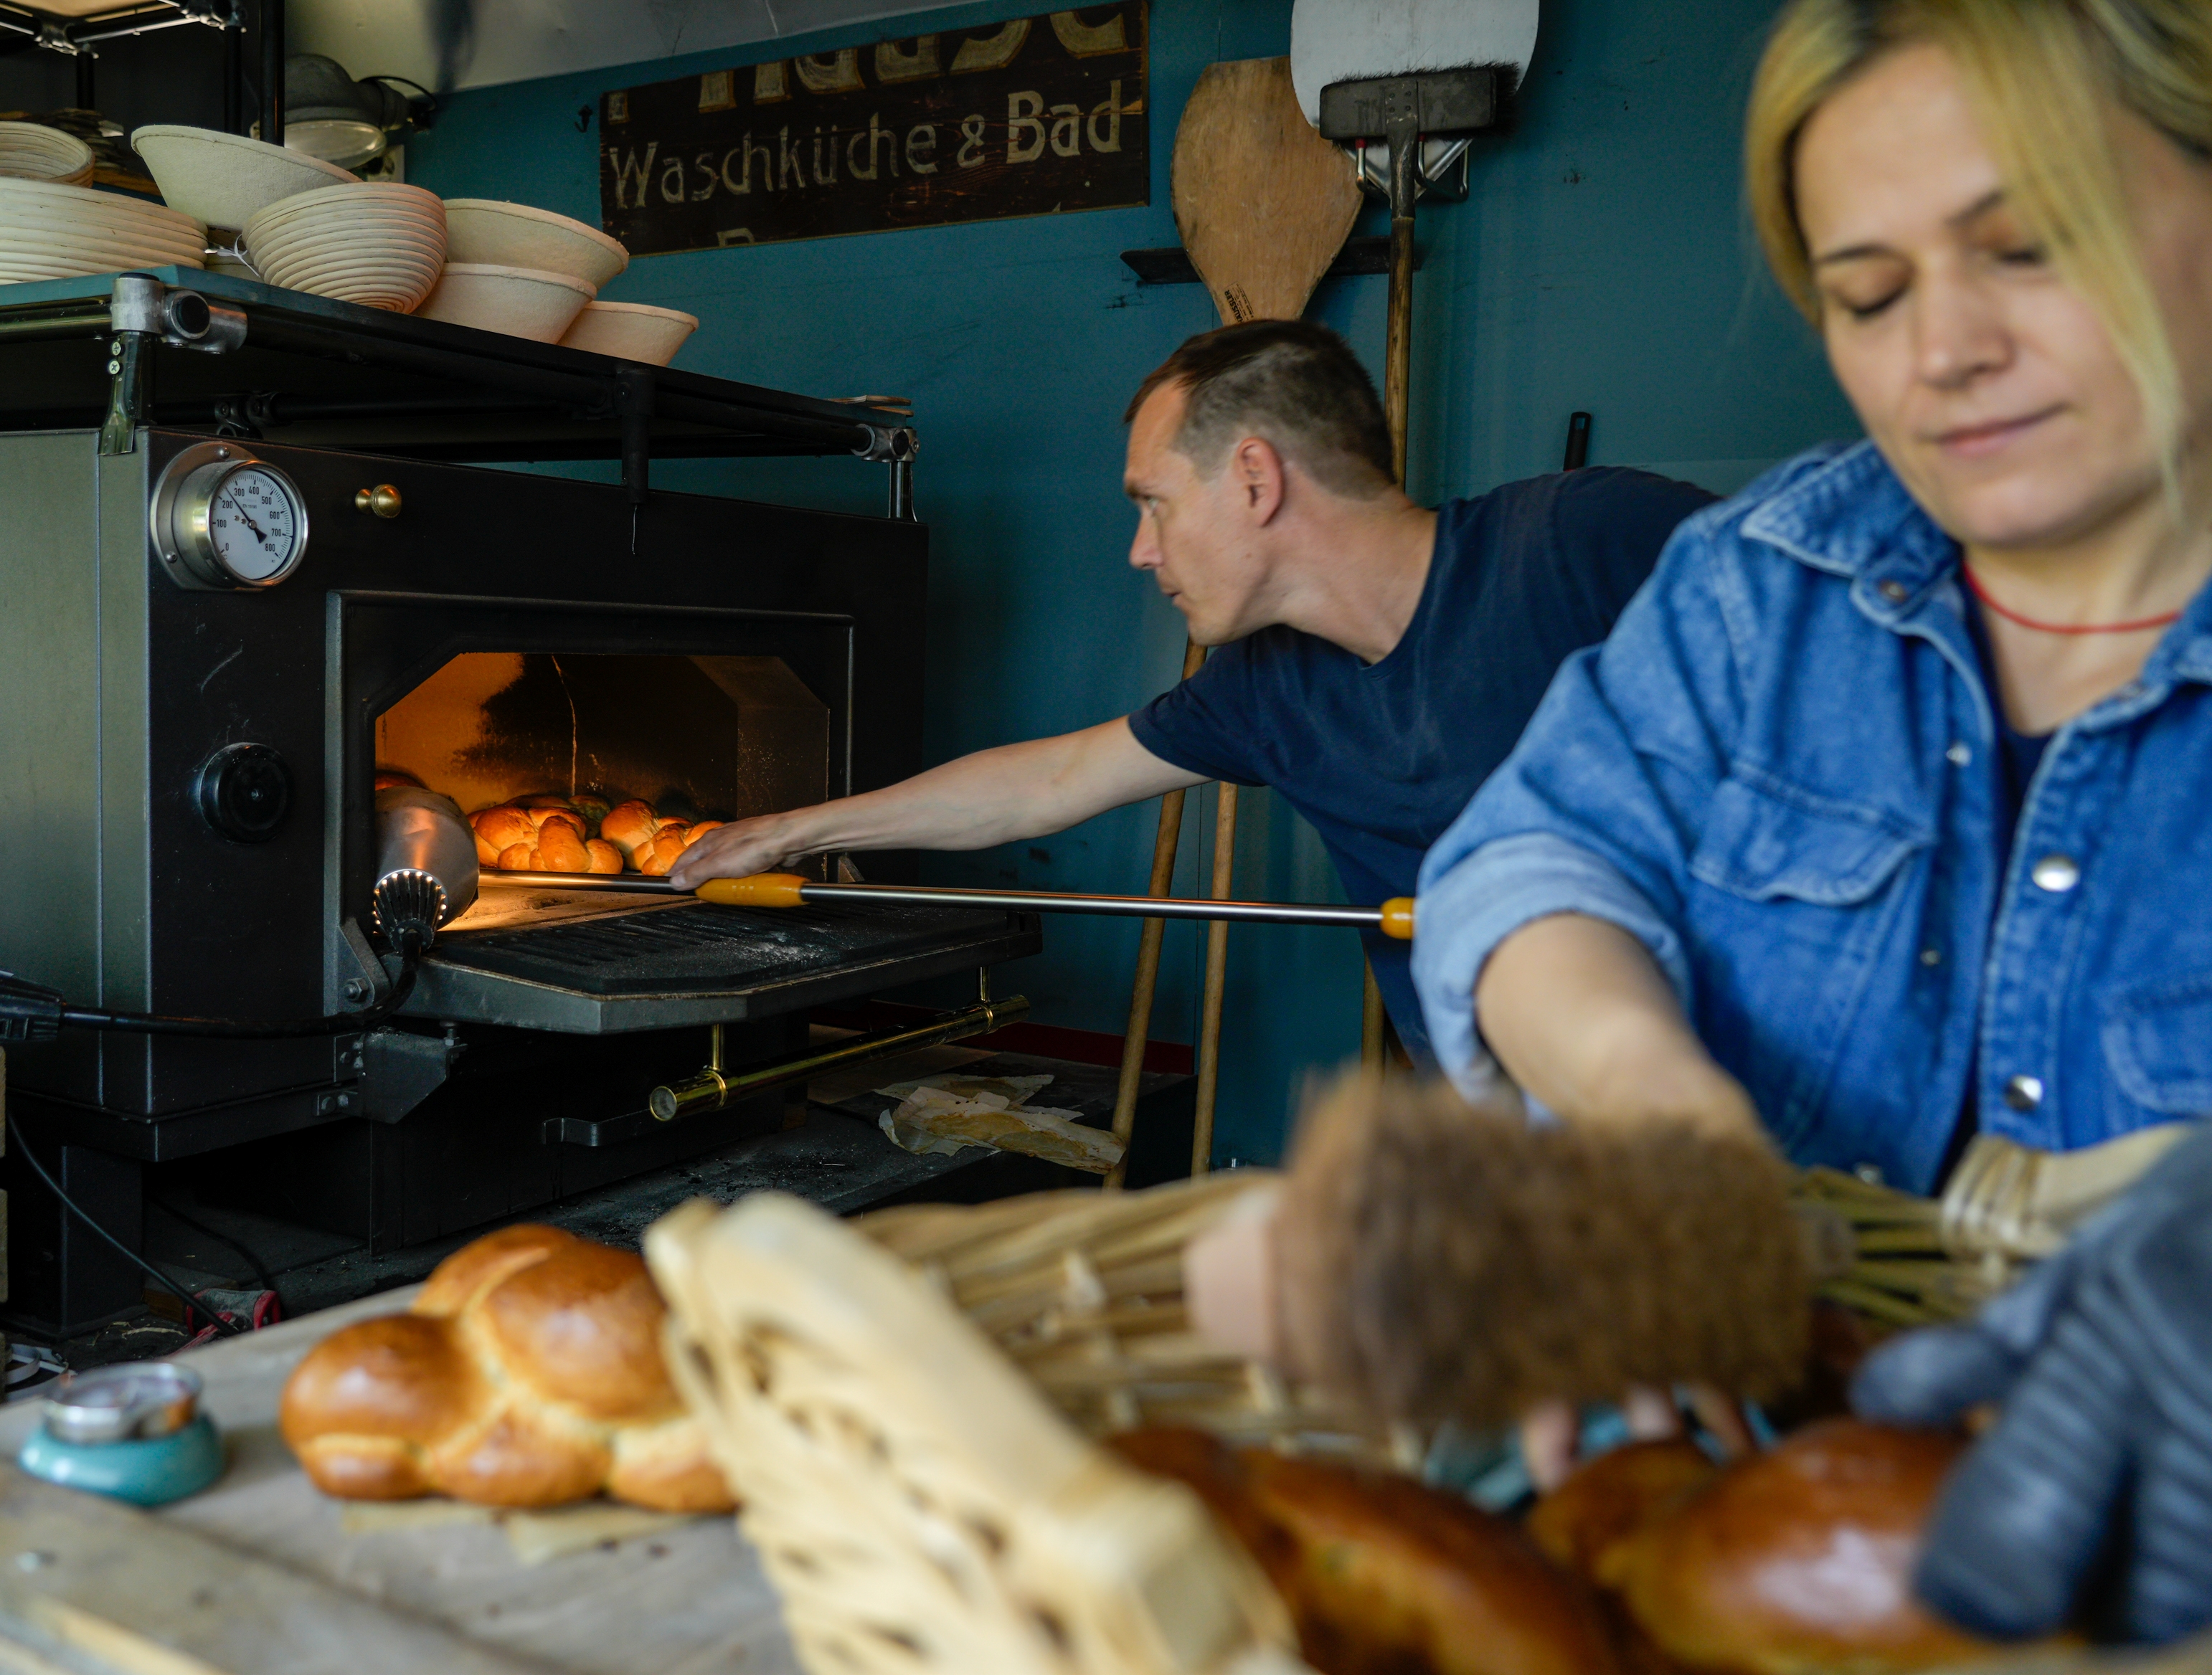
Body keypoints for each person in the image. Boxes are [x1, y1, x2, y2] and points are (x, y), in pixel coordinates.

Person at [1394, 0, 2212, 1643]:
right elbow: (1534, 863)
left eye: (2030, 248)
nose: (1943, 352)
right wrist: (1655, 1124)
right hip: (1729, 1513)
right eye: (1869, 292)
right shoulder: (1765, 584)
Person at [671, 319, 1711, 1061]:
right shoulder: (1265, 687)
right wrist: (792, 831)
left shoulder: (1587, 543)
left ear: (1255, 480)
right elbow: (1049, 782)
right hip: (1512, 1123)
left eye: (1156, 506)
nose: (1139, 550)